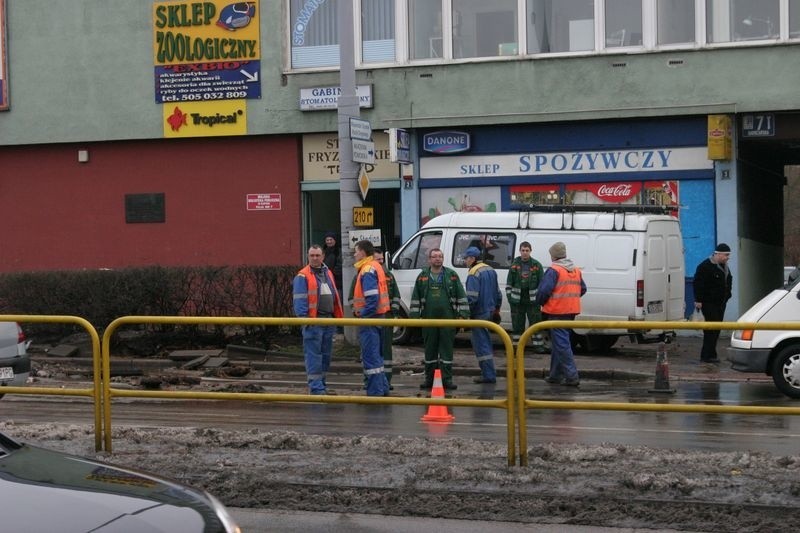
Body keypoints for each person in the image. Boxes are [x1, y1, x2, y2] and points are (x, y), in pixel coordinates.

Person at [409, 248, 470, 391]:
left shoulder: (452, 276)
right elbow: (415, 299)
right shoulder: (422, 276)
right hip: (428, 321)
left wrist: (464, 316)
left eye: (440, 256)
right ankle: (429, 379)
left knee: (446, 351)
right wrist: (414, 318)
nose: (438, 259)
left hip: (448, 320)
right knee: (429, 351)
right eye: (434, 256)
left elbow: (461, 296)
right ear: (429, 260)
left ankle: (447, 379)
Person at [292, 244, 344, 395]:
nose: (314, 258)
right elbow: (299, 301)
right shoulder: (302, 276)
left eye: (317, 255)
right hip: (313, 322)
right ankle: (316, 388)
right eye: (311, 255)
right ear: (308, 257)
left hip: (328, 321)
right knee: (314, 356)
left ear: (322, 257)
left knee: (325, 356)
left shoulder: (327, 272)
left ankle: (321, 384)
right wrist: (305, 320)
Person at [536, 241, 586, 387]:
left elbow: (543, 291)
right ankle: (555, 375)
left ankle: (572, 376)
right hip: (571, 311)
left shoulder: (554, 270)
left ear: (553, 256)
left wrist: (541, 302)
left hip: (557, 312)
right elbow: (583, 289)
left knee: (562, 345)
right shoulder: (575, 270)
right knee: (560, 344)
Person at [351, 240, 391, 397]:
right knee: (378, 358)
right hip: (379, 316)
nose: (354, 254)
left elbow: (372, 298)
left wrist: (362, 316)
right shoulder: (376, 266)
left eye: (356, 251)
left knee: (371, 358)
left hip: (370, 318)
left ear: (362, 252)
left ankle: (375, 392)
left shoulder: (367, 269)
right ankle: (383, 388)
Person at [464, 246, 503, 384]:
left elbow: (471, 298)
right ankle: (488, 372)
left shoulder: (473, 273)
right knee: (485, 342)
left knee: (481, 345)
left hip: (479, 314)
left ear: (472, 259)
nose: (465, 262)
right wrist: (497, 309)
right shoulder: (490, 269)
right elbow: (498, 293)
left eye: (466, 259)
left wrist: (465, 315)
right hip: (490, 312)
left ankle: (488, 375)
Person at [693, 243, 733, 363]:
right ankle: (706, 355)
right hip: (709, 303)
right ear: (718, 254)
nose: (727, 257)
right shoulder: (705, 266)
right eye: (726, 255)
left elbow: (728, 280)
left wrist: (728, 295)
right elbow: (698, 284)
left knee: (717, 329)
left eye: (728, 255)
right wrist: (698, 300)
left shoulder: (725, 267)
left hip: (721, 303)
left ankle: (712, 354)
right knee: (711, 329)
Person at [506, 241, 546, 352]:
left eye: (527, 250)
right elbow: (509, 284)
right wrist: (510, 298)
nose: (524, 253)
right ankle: (517, 347)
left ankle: (538, 346)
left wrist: (539, 300)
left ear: (530, 251)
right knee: (517, 324)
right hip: (517, 300)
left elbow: (542, 284)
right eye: (523, 250)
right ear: (520, 251)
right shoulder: (514, 265)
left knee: (535, 324)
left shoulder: (536, 265)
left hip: (533, 301)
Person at [374, 247, 401, 389]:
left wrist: (394, 312)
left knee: (386, 350)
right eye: (377, 260)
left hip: (387, 318)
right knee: (373, 351)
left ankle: (386, 381)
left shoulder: (389, 276)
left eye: (381, 260)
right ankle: (374, 381)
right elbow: (354, 299)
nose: (380, 262)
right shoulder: (365, 274)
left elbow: (396, 296)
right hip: (372, 319)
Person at [322, 231, 343, 296]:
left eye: (331, 239)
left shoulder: (339, 251)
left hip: (336, 282)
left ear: (335, 240)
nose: (329, 241)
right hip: (324, 281)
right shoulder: (323, 251)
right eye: (327, 240)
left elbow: (339, 266)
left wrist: (331, 274)